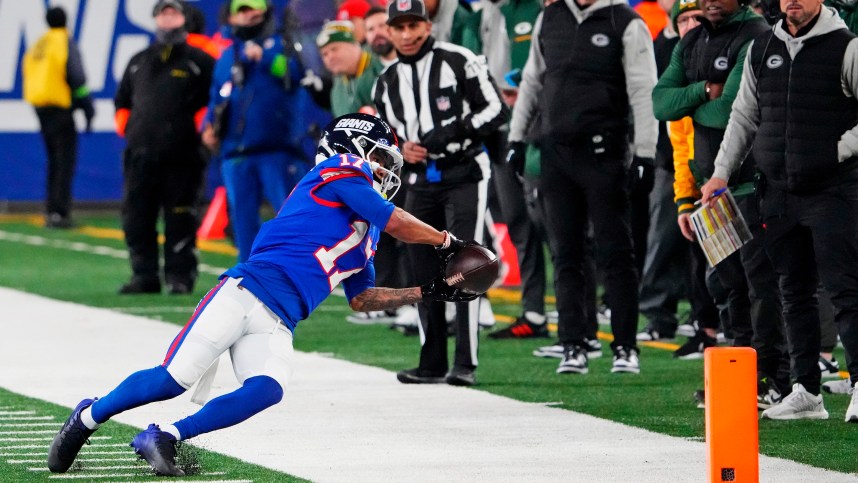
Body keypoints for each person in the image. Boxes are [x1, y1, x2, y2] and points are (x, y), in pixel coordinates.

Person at [46, 113, 482, 476]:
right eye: (381, 158)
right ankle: (87, 416)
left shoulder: (365, 234)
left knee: (268, 388)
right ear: (353, 147)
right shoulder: (339, 171)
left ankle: (164, 436)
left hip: (280, 319)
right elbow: (394, 220)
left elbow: (361, 297)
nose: (387, 171)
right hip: (244, 292)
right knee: (171, 379)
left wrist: (427, 291)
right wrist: (447, 243)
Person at [700, 0, 858, 422]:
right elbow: (744, 115)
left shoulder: (847, 47)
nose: (792, 2)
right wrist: (720, 173)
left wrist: (836, 151)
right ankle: (806, 391)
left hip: (834, 190)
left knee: (846, 289)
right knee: (793, 292)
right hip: (779, 192)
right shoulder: (761, 47)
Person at [508, 0, 658, 375]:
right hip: (556, 155)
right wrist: (516, 138)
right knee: (566, 252)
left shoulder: (626, 22)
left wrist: (645, 153)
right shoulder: (550, 16)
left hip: (604, 153)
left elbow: (644, 91)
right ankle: (573, 344)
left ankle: (626, 346)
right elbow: (532, 80)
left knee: (615, 252)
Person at [374, 0, 508, 386]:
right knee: (422, 269)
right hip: (418, 180)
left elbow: (495, 110)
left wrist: (450, 133)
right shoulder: (386, 80)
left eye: (414, 25)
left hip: (463, 172)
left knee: (468, 262)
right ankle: (431, 361)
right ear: (390, 31)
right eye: (399, 27)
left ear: (427, 26)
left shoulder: (459, 60)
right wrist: (404, 150)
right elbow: (387, 137)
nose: (407, 34)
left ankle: (465, 362)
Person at [461, 0, 551, 341]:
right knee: (517, 220)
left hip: (538, 127)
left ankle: (579, 323)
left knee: (555, 225)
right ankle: (533, 311)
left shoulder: (535, 9)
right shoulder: (477, 18)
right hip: (498, 132)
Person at [114, 0, 215, 295]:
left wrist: (197, 130)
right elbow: (122, 101)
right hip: (141, 154)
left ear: (184, 18)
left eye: (173, 12)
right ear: (156, 19)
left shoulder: (200, 61)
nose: (168, 17)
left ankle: (180, 277)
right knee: (136, 217)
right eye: (163, 12)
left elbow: (215, 102)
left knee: (180, 218)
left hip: (183, 156)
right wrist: (131, 130)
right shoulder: (139, 60)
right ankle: (144, 275)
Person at [202, 0, 310, 263]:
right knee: (242, 219)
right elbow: (218, 96)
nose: (248, 15)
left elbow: (295, 75)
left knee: (291, 215)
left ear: (265, 11)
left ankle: (304, 269)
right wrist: (208, 126)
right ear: (232, 17)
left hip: (278, 148)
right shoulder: (228, 55)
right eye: (242, 10)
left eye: (253, 9)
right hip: (236, 151)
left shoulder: (283, 44)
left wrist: (266, 58)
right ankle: (249, 274)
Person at [22, 6, 95, 229]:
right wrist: (87, 107)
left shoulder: (38, 44)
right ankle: (60, 213)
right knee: (65, 161)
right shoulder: (63, 41)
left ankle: (52, 210)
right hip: (60, 109)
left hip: (40, 108)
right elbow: (76, 75)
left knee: (54, 161)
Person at [317, 20, 385, 117]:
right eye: (325, 54)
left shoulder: (380, 63)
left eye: (334, 49)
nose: (330, 57)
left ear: (354, 45)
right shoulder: (337, 90)